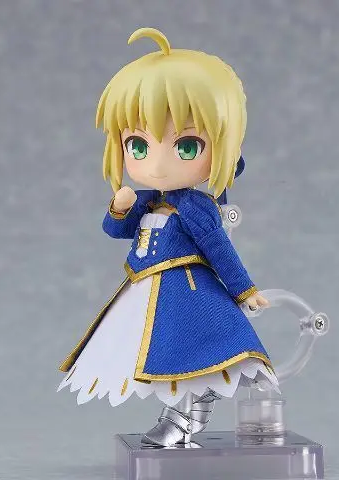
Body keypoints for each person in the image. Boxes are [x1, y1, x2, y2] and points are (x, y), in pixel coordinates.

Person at [58, 27, 279, 447]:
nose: (157, 164)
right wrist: (120, 207)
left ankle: (184, 418)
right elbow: (117, 231)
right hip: (144, 287)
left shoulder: (195, 207)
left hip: (186, 294)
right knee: (154, 357)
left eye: (187, 146)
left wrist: (244, 289)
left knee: (187, 357)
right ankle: (180, 416)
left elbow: (219, 248)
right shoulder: (147, 201)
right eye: (138, 146)